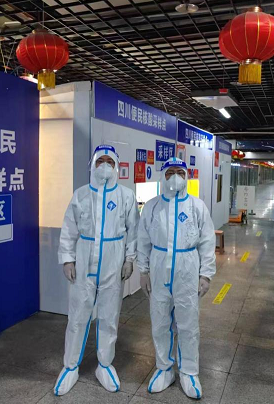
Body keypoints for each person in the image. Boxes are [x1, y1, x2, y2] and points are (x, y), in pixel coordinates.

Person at [54, 144, 139, 396]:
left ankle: (105, 364)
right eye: (100, 161)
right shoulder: (81, 195)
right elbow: (69, 229)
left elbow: (133, 230)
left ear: (116, 166)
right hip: (84, 258)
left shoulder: (126, 196)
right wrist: (68, 259)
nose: (105, 166)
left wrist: (130, 259)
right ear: (92, 165)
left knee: (109, 315)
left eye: (110, 162)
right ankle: (70, 366)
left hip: (113, 260)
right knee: (78, 315)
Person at [137, 157, 216, 399]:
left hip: (187, 267)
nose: (175, 177)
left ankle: (189, 371)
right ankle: (164, 368)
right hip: (159, 267)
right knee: (160, 321)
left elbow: (207, 241)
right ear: (163, 175)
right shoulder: (152, 207)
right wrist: (143, 270)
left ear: (186, 176)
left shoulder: (197, 206)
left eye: (180, 172)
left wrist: (206, 274)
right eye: (170, 172)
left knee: (188, 322)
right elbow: (143, 240)